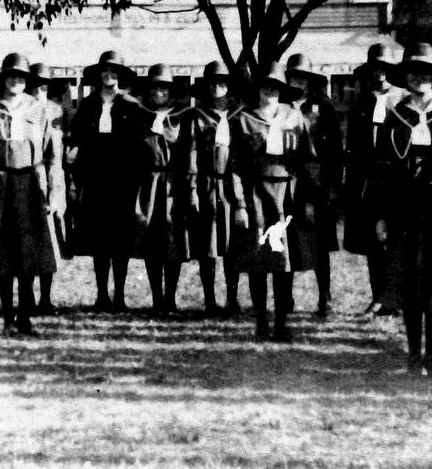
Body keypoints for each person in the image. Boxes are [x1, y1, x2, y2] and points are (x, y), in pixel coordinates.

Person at [375, 43, 432, 377]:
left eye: (427, 72)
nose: (420, 78)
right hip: (405, 210)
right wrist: (384, 215)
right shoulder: (395, 115)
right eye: (414, 72)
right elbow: (384, 170)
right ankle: (413, 354)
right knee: (410, 283)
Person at [0, 53, 66, 335]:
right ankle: (6, 319)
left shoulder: (39, 110)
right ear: (3, 79)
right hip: (0, 183)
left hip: (29, 183)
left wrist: (53, 192)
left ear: (27, 81)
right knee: (2, 254)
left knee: (28, 255)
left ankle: (25, 318)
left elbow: (53, 155)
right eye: (11, 76)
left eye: (21, 77)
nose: (15, 81)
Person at [229, 63, 315, 340]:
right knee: (259, 258)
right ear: (257, 89)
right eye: (265, 85)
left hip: (288, 194)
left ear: (282, 89)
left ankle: (281, 322)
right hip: (258, 194)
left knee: (284, 260)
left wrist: (308, 200)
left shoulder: (295, 117)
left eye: (275, 86)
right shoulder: (244, 120)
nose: (270, 90)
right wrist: (240, 204)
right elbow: (235, 166)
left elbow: (308, 161)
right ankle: (261, 321)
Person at [69, 50, 141, 311]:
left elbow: (138, 145)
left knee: (120, 240)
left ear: (120, 76)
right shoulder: (88, 105)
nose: (109, 76)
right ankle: (101, 295)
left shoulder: (132, 105)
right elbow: (76, 136)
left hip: (122, 180)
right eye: (104, 72)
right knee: (100, 240)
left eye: (114, 72)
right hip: (95, 178)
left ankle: (120, 295)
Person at [345, 43, 406, 318]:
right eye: (375, 68)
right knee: (372, 241)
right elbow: (354, 144)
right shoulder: (362, 101)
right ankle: (378, 297)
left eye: (385, 68)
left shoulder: (403, 101)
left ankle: (396, 298)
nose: (380, 74)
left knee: (395, 240)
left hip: (396, 178)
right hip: (368, 180)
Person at [286, 54, 345, 318]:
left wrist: (332, 185)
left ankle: (325, 298)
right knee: (286, 239)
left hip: (317, 181)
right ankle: (285, 298)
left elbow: (335, 149)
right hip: (288, 182)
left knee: (320, 243)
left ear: (311, 82)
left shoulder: (323, 106)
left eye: (303, 78)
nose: (298, 82)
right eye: (293, 77)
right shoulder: (282, 105)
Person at [132, 64, 191, 314]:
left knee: (173, 239)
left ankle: (171, 298)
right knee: (151, 240)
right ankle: (156, 297)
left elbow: (190, 151)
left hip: (173, 184)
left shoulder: (182, 117)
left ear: (171, 91)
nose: (159, 93)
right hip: (148, 184)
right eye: (155, 88)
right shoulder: (141, 116)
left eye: (164, 88)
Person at [186, 61, 242, 315]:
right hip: (207, 184)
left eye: (222, 83)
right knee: (207, 246)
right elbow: (192, 154)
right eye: (212, 84)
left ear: (228, 86)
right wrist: (193, 188)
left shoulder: (239, 115)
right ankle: (209, 299)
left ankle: (232, 298)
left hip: (233, 185)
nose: (217, 88)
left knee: (233, 245)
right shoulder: (197, 116)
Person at [27, 62, 70, 315]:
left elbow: (60, 153)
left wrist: (56, 191)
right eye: (34, 88)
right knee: (29, 242)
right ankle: (28, 298)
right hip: (28, 179)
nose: (38, 93)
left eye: (43, 88)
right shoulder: (23, 112)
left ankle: (45, 298)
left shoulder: (56, 111)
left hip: (53, 178)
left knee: (50, 243)